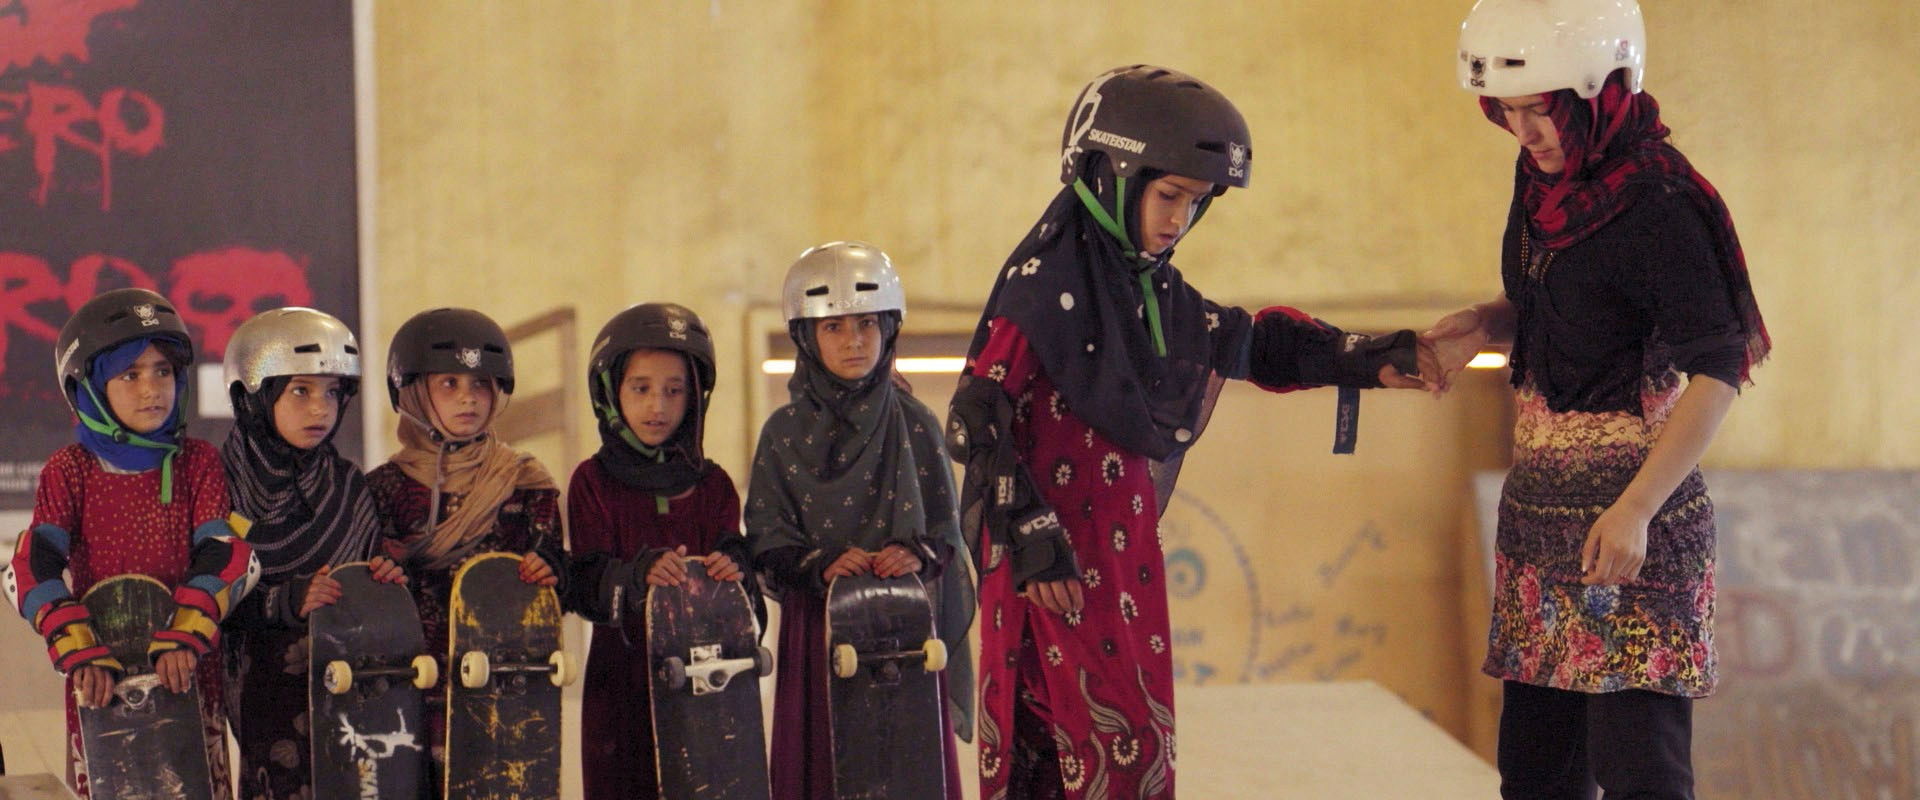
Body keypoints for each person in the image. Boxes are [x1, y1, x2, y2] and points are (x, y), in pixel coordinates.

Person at [946, 65, 1432, 799]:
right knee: (1086, 746)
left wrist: (1369, 359)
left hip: (1121, 563)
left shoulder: (1152, 295)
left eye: (1196, 202)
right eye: (1167, 194)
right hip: (1051, 566)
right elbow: (976, 414)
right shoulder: (1042, 285)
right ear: (1108, 174)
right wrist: (1032, 533)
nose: (1178, 218)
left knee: (1123, 743)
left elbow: (1248, 344)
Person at [1427, 2, 1770, 796]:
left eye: (1541, 111)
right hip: (1542, 525)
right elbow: (1564, 313)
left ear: (1599, 92)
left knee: (1641, 777)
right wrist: (1482, 323)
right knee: (1537, 778)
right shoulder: (1545, 182)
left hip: (1634, 534)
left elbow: (1718, 370)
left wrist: (1637, 510)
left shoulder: (1662, 202)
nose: (1526, 133)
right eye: (1506, 112)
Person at [5, 288, 258, 799]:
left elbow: (226, 552)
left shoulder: (197, 461)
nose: (152, 389)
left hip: (186, 666)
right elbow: (32, 565)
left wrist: (187, 632)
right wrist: (76, 647)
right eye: (131, 375)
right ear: (90, 388)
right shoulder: (68, 471)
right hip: (101, 675)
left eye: (163, 371)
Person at [747, 241, 974, 799]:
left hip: (908, 635)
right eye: (834, 327)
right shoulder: (781, 433)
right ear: (805, 336)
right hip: (818, 634)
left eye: (868, 324)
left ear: (889, 329)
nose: (853, 341)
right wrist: (819, 564)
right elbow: (766, 541)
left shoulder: (916, 422)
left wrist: (917, 554)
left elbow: (946, 534)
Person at [565, 302, 757, 799]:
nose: (658, 406)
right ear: (610, 391)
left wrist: (732, 572)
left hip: (709, 693)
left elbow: (747, 595)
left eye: (675, 391)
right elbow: (583, 584)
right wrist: (635, 576)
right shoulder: (592, 481)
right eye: (641, 388)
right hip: (621, 694)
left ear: (694, 398)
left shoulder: (714, 484)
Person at [365, 307, 564, 780]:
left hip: (501, 689)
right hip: (403, 688)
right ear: (412, 391)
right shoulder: (379, 490)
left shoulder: (527, 482)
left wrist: (552, 570)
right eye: (449, 384)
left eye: (480, 385)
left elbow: (559, 581)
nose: (468, 399)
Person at [217, 307, 406, 799]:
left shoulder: (346, 484)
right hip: (267, 702)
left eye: (332, 392)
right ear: (252, 398)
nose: (320, 409)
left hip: (348, 692)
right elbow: (206, 597)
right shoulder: (220, 487)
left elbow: (362, 580)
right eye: (300, 390)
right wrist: (284, 601)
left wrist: (380, 578)